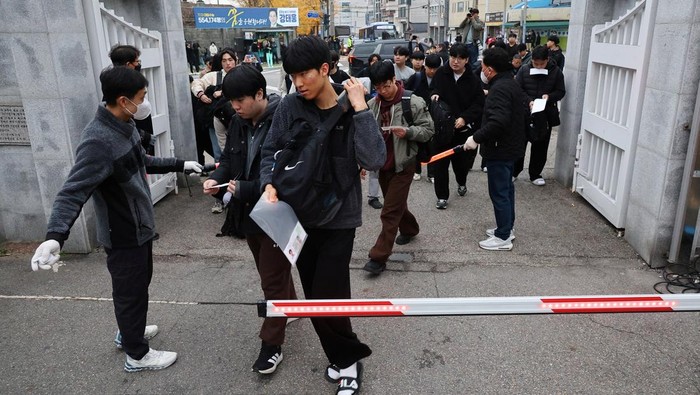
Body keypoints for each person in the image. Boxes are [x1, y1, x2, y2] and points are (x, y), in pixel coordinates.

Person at [30, 66, 203, 372]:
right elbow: (73, 190)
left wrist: (180, 164)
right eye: (142, 97)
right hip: (123, 233)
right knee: (130, 292)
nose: (145, 103)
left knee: (137, 287)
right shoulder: (98, 141)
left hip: (140, 228)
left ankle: (129, 333)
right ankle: (137, 355)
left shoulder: (125, 125)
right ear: (124, 101)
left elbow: (144, 160)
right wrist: (55, 235)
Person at [259, 35, 385, 395]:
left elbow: (374, 160)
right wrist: (269, 181)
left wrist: (361, 109)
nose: (298, 84)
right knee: (316, 297)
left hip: (339, 219)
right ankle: (340, 355)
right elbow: (270, 148)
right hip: (298, 218)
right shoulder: (289, 106)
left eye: (304, 75)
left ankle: (348, 361)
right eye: (292, 76)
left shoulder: (351, 106)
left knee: (330, 293)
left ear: (325, 70)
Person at [201, 65, 295, 375]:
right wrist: (216, 179)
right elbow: (229, 159)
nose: (235, 107)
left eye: (240, 100)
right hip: (247, 214)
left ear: (260, 94)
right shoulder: (240, 122)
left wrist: (245, 188)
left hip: (276, 212)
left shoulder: (285, 121)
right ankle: (290, 306)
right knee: (271, 272)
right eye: (231, 101)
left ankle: (271, 345)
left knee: (271, 281)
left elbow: (286, 177)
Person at [362, 61, 434, 275]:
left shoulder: (412, 102)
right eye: (377, 87)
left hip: (404, 163)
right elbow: (365, 136)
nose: (382, 91)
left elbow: (428, 130)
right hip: (383, 165)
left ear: (394, 79)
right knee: (396, 205)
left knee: (389, 211)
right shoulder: (373, 105)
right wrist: (362, 162)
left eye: (386, 85)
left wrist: (409, 132)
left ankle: (378, 257)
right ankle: (410, 228)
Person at [463, 47, 526, 251]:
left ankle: (503, 237)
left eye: (483, 67)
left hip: (501, 149)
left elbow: (498, 122)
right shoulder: (510, 83)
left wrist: (476, 138)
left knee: (500, 191)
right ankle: (506, 227)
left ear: (489, 70)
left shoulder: (500, 89)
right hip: (512, 146)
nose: (481, 70)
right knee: (506, 189)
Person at [429, 43, 484, 209]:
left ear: (466, 60)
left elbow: (479, 104)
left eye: (460, 58)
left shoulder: (473, 79)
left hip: (462, 130)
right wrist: (434, 94)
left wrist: (465, 119)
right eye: (453, 57)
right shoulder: (441, 73)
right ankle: (442, 197)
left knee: (461, 164)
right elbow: (432, 90)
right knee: (440, 164)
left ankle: (461, 182)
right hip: (442, 128)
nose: (455, 61)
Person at [191, 48, 238, 214]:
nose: (228, 63)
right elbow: (197, 83)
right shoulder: (213, 76)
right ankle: (219, 197)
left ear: (236, 60)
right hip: (217, 120)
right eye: (224, 60)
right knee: (220, 156)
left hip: (239, 121)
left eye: (230, 60)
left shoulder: (242, 74)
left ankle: (237, 194)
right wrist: (201, 94)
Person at [513, 45, 566, 186]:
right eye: (536, 64)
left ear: (547, 60)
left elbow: (561, 91)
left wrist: (549, 96)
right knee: (519, 144)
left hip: (545, 114)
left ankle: (535, 174)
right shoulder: (524, 69)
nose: (539, 66)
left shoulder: (556, 72)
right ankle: (514, 171)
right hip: (525, 113)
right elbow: (517, 90)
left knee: (541, 145)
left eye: (542, 64)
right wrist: (529, 101)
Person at [108, 44, 155, 155]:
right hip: (134, 137)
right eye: (137, 62)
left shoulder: (131, 80)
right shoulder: (117, 85)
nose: (139, 65)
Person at [406, 53, 440, 182]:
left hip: (435, 115)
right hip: (418, 115)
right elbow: (406, 93)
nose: (432, 71)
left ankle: (432, 173)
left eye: (435, 68)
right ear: (425, 66)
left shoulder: (441, 78)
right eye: (429, 68)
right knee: (418, 143)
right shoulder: (416, 77)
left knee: (433, 145)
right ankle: (417, 169)